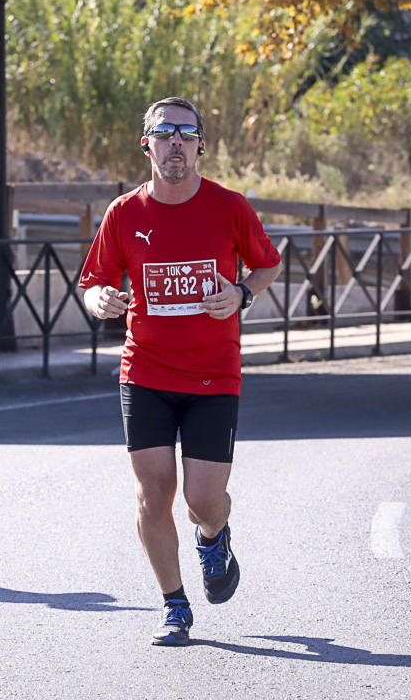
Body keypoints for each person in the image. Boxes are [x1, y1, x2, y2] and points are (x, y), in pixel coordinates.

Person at [79, 97, 282, 646]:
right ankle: (174, 605)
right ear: (147, 144)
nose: (175, 143)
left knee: (203, 501)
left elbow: (267, 262)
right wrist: (100, 301)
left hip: (214, 374)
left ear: (199, 146)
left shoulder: (228, 206)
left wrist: (240, 293)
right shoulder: (125, 213)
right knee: (153, 493)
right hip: (144, 371)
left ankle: (214, 538)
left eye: (186, 135)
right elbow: (95, 280)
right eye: (164, 133)